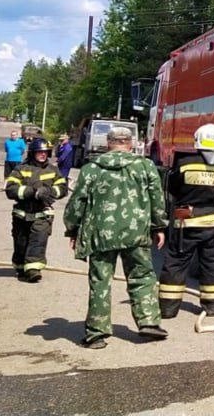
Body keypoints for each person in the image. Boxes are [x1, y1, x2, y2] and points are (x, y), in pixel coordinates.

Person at [63, 127, 169, 349]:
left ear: (108, 143)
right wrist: (159, 226)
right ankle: (149, 322)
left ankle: (96, 333)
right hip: (136, 232)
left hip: (101, 235)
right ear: (130, 143)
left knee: (100, 282)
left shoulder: (92, 168)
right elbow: (157, 198)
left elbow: (77, 202)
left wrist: (72, 229)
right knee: (142, 277)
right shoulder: (145, 166)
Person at [158, 123, 214, 318]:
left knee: (176, 263)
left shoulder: (184, 164)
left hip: (187, 222)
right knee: (213, 264)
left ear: (197, 141)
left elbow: (171, 188)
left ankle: (168, 308)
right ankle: (213, 307)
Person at [5, 138, 66, 283]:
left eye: (45, 152)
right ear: (33, 153)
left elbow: (63, 188)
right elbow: (10, 190)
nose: (43, 155)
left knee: (38, 241)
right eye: (40, 152)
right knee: (21, 243)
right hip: (21, 214)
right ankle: (20, 266)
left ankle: (33, 270)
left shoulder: (53, 170)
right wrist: (32, 192)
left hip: (42, 214)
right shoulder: (21, 169)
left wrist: (49, 191)